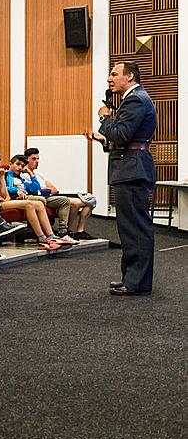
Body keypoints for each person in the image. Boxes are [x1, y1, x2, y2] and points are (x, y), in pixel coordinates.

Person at [92, 61, 157, 296]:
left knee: (135, 228)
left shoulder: (135, 99)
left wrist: (104, 119)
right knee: (130, 227)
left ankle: (136, 283)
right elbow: (124, 139)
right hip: (131, 166)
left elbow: (121, 133)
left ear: (129, 77)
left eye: (113, 74)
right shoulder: (136, 98)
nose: (109, 79)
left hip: (132, 169)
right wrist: (104, 139)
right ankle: (132, 278)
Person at [0, 150, 63, 251]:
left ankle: (50, 235)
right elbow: (2, 196)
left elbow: (6, 197)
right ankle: (41, 238)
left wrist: (2, 183)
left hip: (2, 201)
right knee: (29, 204)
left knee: (39, 204)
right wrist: (2, 179)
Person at [5, 155, 79, 245]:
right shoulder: (7, 175)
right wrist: (16, 190)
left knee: (64, 200)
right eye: (18, 164)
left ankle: (62, 232)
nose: (20, 167)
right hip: (18, 198)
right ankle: (48, 234)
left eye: (22, 166)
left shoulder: (21, 178)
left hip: (32, 196)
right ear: (10, 163)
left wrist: (30, 173)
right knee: (41, 200)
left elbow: (36, 188)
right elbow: (5, 188)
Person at [23, 147, 94, 239]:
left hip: (50, 196)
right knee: (76, 203)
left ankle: (78, 230)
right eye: (33, 159)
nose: (37, 161)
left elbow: (54, 189)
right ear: (26, 160)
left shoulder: (39, 174)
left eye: (38, 159)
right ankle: (67, 230)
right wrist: (44, 189)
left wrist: (43, 189)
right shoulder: (24, 175)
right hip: (41, 199)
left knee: (89, 202)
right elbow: (34, 190)